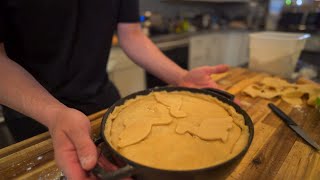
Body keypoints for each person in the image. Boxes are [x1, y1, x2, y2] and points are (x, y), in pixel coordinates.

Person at [0, 0, 229, 179]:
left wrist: (180, 76)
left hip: (102, 99)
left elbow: (132, 34)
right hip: (35, 110)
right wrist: (54, 114)